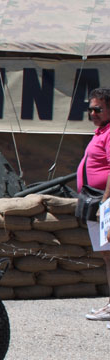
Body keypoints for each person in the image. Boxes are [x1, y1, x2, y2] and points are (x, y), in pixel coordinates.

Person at [79, 88, 110, 322]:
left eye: (98, 109)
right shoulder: (100, 132)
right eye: (90, 109)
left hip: (104, 202)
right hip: (95, 200)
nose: (92, 113)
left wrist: (105, 202)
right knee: (107, 256)